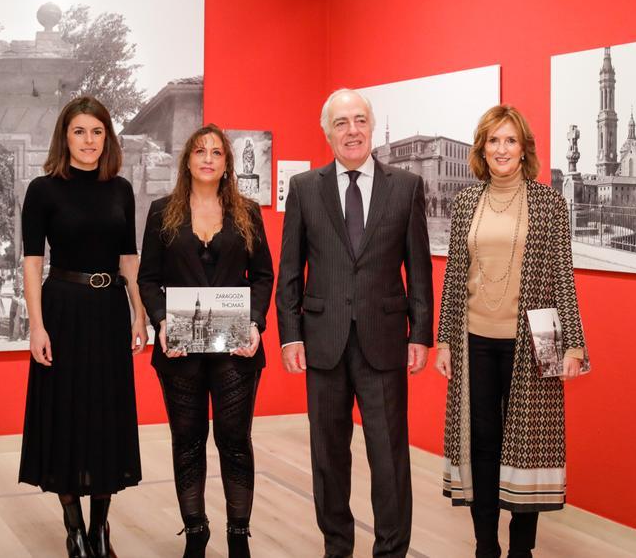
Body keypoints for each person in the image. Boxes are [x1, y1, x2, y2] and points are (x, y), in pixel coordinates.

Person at [276, 89, 433, 558]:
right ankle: (337, 547)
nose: (352, 130)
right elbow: (290, 271)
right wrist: (290, 336)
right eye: (341, 122)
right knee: (328, 457)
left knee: (388, 457)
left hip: (384, 341)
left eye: (360, 120)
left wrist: (421, 333)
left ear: (371, 125)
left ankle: (391, 551)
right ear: (327, 133)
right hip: (322, 341)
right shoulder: (305, 189)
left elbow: (418, 268)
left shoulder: (405, 187)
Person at [434, 105, 589, 558]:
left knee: (527, 447)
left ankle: (522, 551)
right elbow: (455, 275)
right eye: (493, 140)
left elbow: (563, 274)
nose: (501, 149)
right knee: (482, 443)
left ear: (524, 150)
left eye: (510, 140)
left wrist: (574, 344)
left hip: (535, 342)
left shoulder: (549, 203)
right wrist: (444, 339)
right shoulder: (467, 202)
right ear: (482, 148)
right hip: (474, 342)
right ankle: (486, 546)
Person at [18, 95, 148, 558]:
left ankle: (100, 530)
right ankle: (73, 529)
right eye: (79, 131)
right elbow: (33, 264)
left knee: (105, 417)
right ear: (65, 137)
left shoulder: (121, 189)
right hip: (63, 310)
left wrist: (139, 311)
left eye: (97, 132)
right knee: (66, 415)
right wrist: (37, 326)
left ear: (107, 138)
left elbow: (128, 259)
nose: (89, 141)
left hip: (110, 310)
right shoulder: (43, 189)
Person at [139, 125, 274, 558]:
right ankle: (195, 532)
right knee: (188, 439)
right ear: (188, 160)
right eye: (200, 151)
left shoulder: (248, 212)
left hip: (236, 348)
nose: (209, 158)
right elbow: (148, 279)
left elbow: (264, 276)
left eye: (217, 152)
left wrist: (255, 323)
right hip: (179, 349)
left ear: (227, 163)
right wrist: (160, 322)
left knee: (235, 440)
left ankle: (239, 536)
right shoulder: (161, 212)